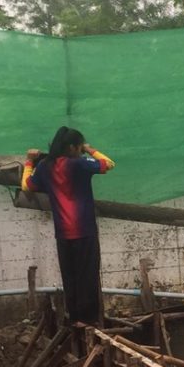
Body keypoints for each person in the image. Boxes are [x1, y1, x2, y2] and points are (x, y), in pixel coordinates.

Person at [22, 126, 114, 325]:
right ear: (72, 147)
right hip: (85, 231)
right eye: (80, 146)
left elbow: (27, 185)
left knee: (70, 279)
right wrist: (90, 150)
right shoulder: (79, 164)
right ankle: (89, 323)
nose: (81, 150)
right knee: (87, 278)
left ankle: (74, 321)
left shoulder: (45, 166)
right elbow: (108, 164)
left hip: (63, 234)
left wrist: (29, 162)